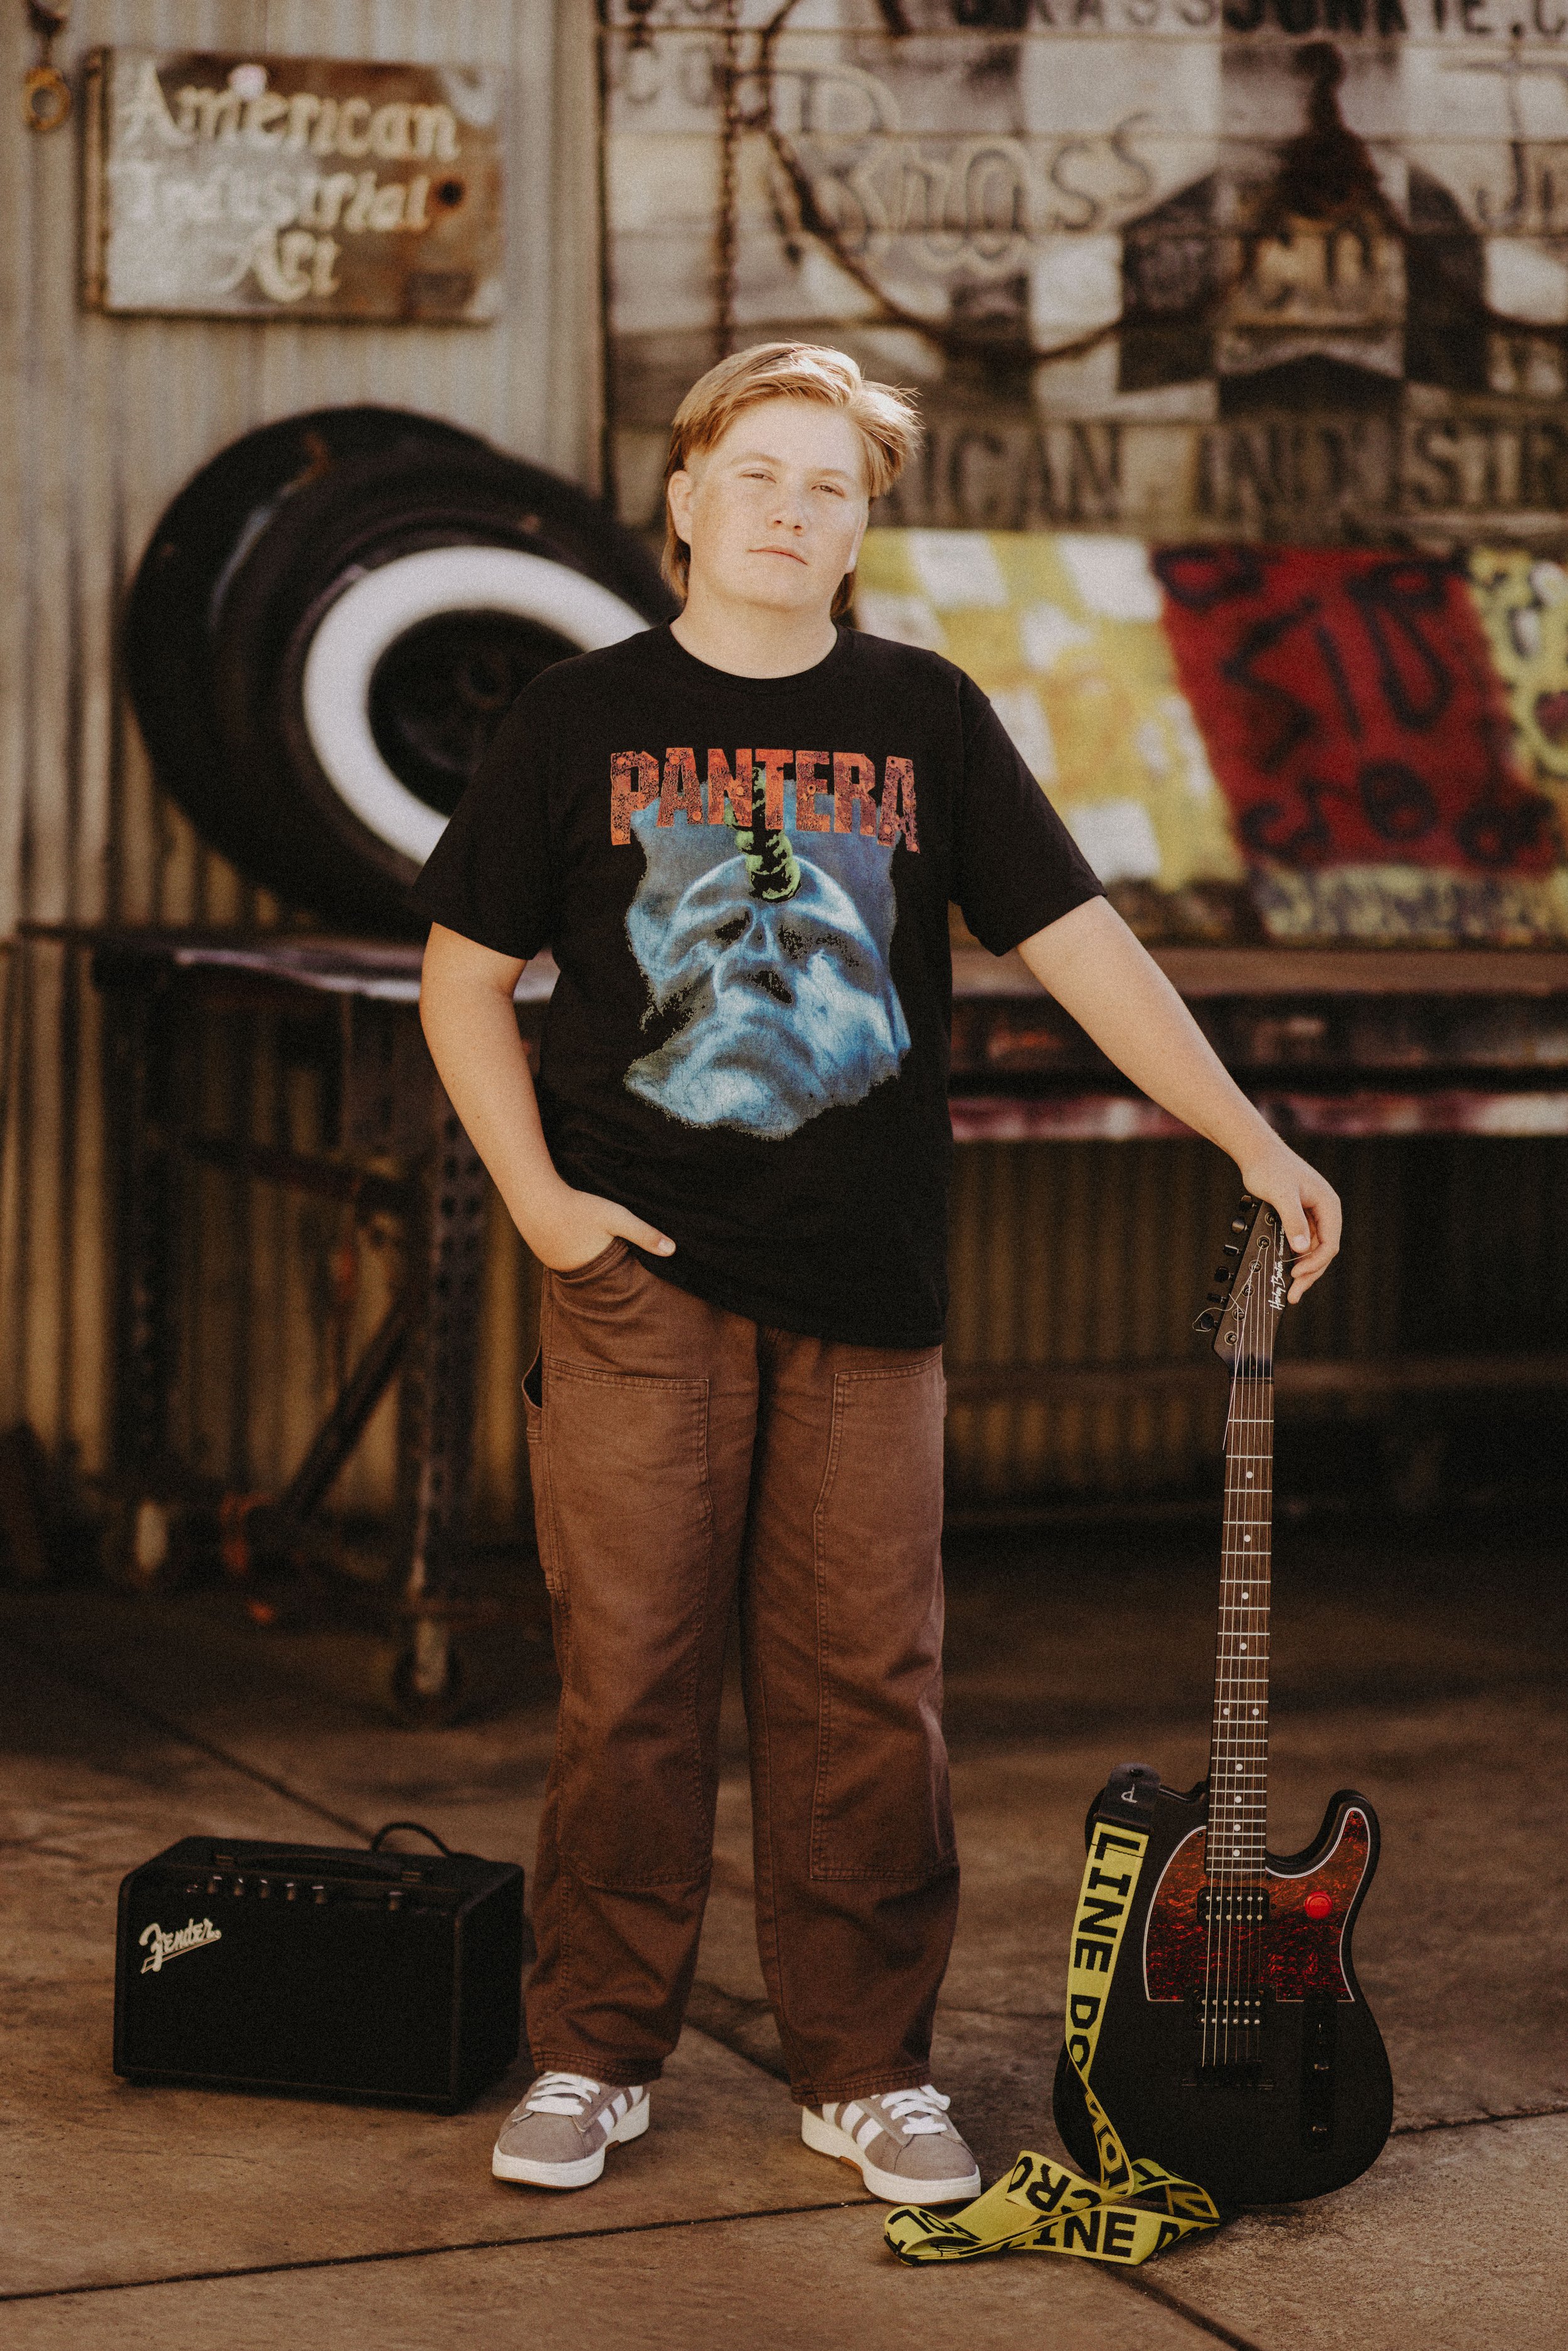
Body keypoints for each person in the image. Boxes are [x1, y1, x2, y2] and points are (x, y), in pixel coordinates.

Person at [415, 343, 1341, 2204]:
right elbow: (461, 974)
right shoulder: (573, 719)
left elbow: (1079, 945)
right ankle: (596, 2046)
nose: (787, 509)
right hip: (638, 1267)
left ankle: (866, 2067)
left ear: (859, 524)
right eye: (755, 474)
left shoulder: (922, 713)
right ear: (683, 502)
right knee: (631, 1675)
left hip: (868, 1275)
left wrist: (1245, 1129)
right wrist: (539, 1201)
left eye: (826, 486)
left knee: (867, 1686)